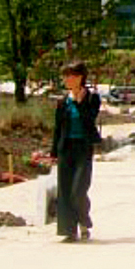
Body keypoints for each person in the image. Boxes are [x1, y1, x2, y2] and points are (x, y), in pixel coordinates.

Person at [50, 61, 101, 242]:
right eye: (64, 76)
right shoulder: (62, 101)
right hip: (66, 148)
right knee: (64, 191)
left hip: (83, 148)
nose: (65, 79)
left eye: (69, 75)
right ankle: (69, 231)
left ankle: (84, 222)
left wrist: (79, 104)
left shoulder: (92, 98)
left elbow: (89, 119)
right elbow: (58, 128)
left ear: (79, 77)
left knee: (78, 190)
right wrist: (54, 153)